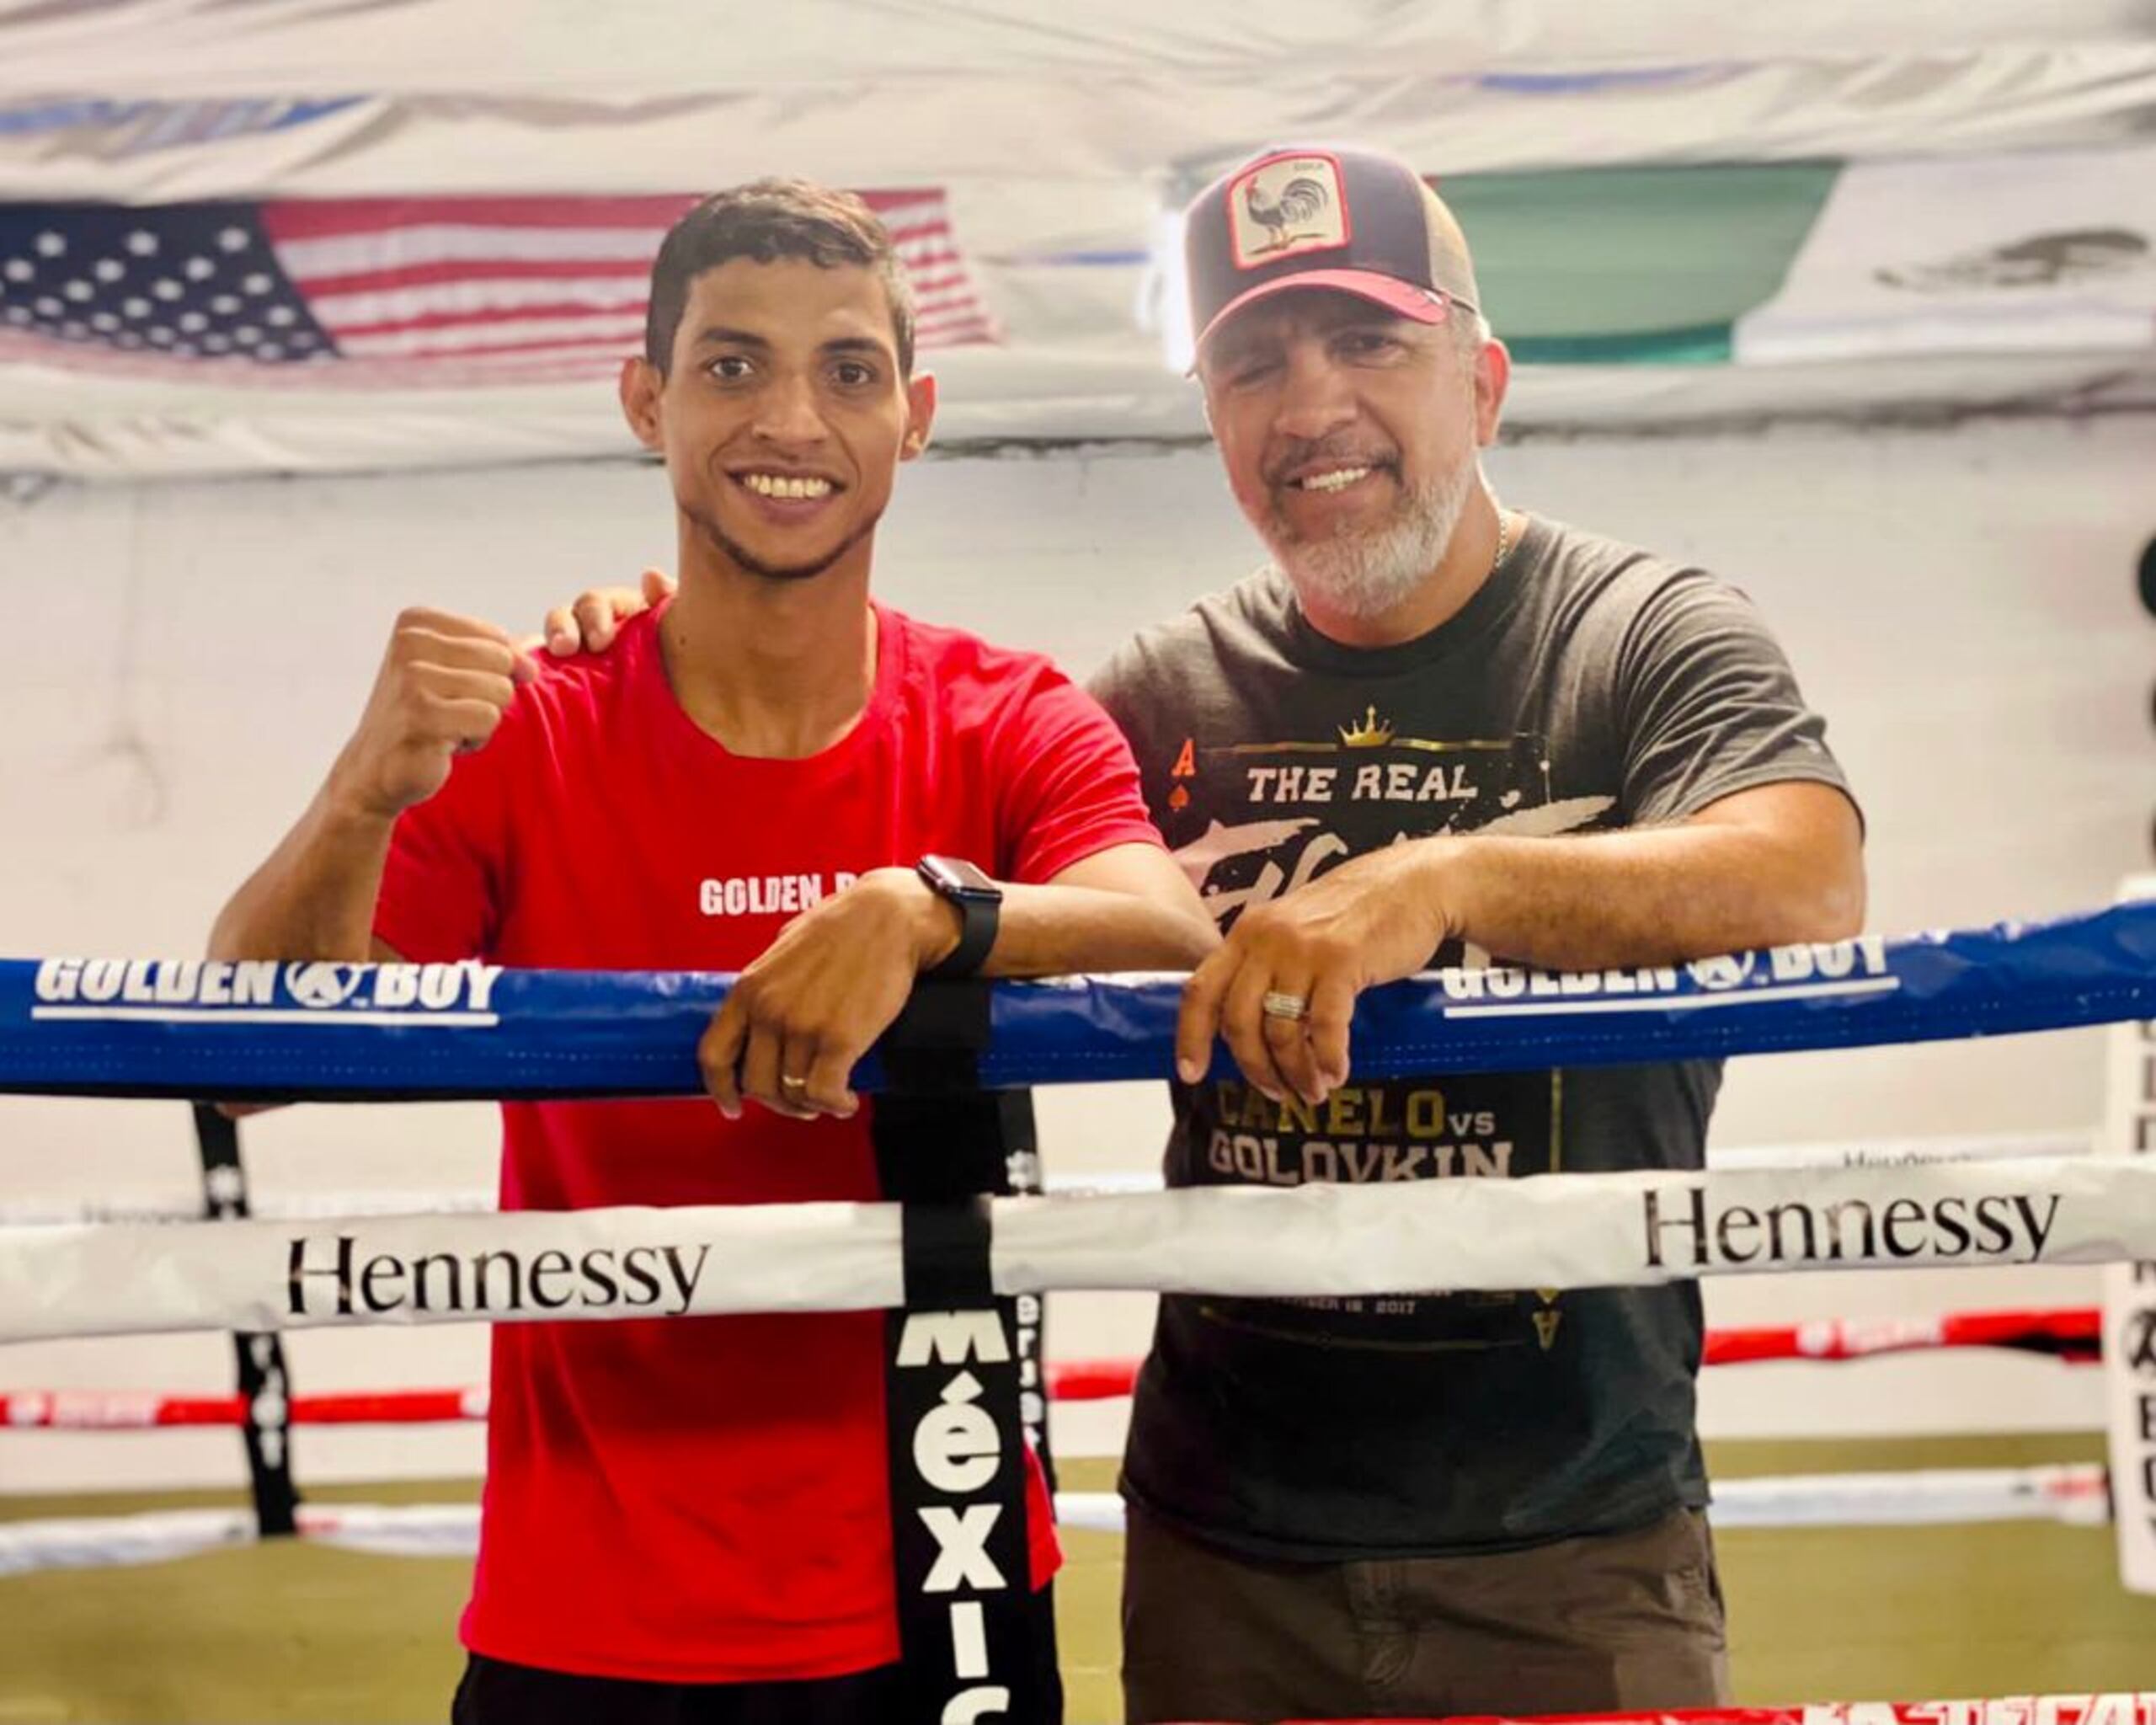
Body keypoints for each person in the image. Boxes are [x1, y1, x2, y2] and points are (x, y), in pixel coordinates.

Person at [541, 147, 1865, 1722]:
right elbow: (873, 796)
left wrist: (1444, 880)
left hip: (1568, 1538)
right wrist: (659, 644)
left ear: (1484, 381)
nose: (1308, 407)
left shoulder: (1639, 634)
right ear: (1219, 418)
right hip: (1223, 1544)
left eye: (1367, 343)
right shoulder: (1156, 696)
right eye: (1251, 362)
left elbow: (1806, 876)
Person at [209, 179, 1215, 1724]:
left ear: (917, 415)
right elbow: (239, 1061)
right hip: (588, 1601)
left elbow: (1160, 924)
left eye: (850, 372)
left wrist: (924, 906)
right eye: (733, 365)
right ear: (647, 399)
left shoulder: (998, 716)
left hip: (938, 1567)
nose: (792, 419)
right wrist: (357, 795)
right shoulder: (533, 728)